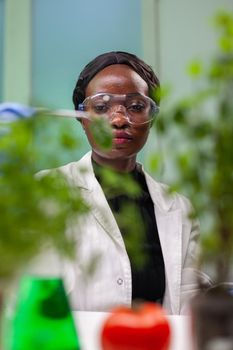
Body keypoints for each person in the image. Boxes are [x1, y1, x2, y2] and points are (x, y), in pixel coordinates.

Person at [37, 51, 211, 314]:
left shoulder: (179, 208)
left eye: (136, 107)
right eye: (102, 107)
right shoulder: (47, 190)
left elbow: (189, 306)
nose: (119, 120)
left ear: (152, 117)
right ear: (81, 118)